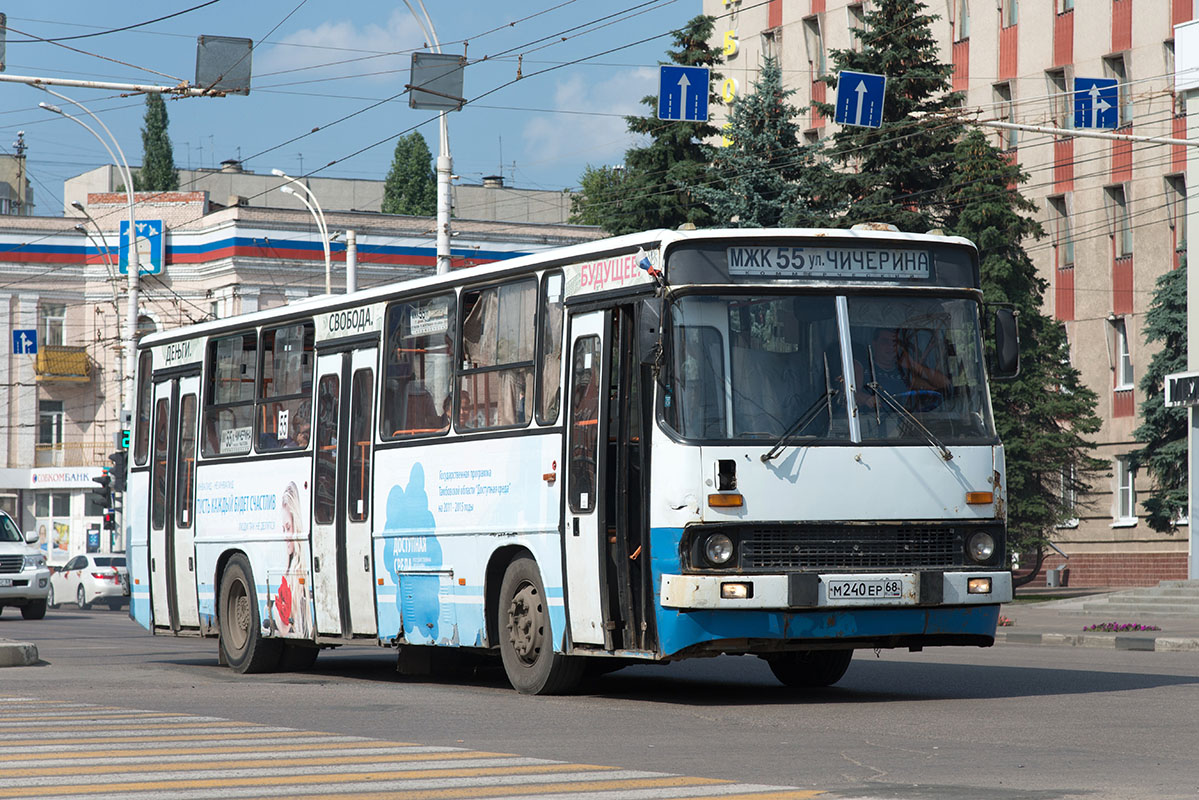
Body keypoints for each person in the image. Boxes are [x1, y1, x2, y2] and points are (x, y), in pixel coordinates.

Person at [855, 327, 948, 410]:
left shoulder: (904, 372)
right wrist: (866, 399)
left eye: (894, 343)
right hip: (873, 422)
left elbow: (944, 385)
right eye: (885, 342)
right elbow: (854, 393)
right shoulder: (863, 367)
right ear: (874, 344)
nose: (890, 346)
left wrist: (914, 365)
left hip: (906, 423)